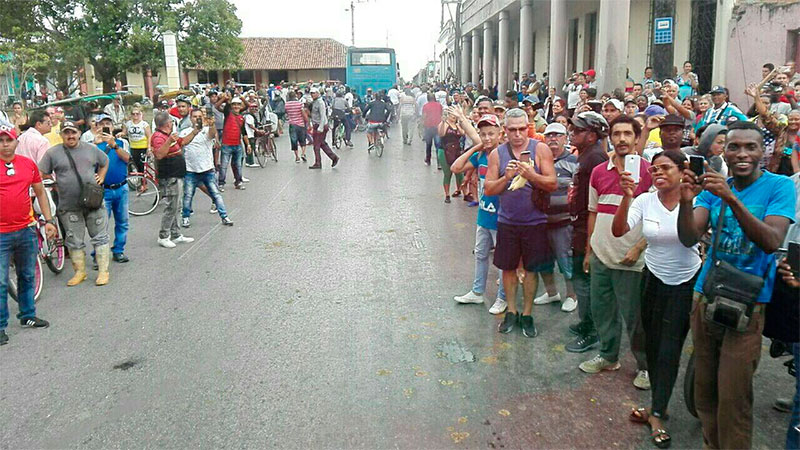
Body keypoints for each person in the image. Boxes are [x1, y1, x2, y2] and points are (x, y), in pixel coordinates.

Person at [677, 120, 796, 449]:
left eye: (750, 147)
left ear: (762, 151)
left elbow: (771, 240)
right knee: (706, 392)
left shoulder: (779, 187)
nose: (742, 153)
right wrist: (687, 200)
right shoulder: (713, 188)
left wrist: (730, 198)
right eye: (734, 147)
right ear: (724, 152)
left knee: (734, 398)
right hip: (707, 297)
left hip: (748, 305)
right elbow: (690, 235)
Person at [612, 149, 702, 448]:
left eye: (665, 168)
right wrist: (626, 197)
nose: (658, 173)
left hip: (684, 282)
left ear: (682, 170)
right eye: (654, 170)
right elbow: (619, 230)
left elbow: (690, 239)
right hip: (652, 278)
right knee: (650, 344)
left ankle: (659, 412)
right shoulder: (645, 200)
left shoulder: (697, 201)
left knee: (669, 349)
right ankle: (656, 404)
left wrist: (687, 199)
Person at [579, 115, 651, 392]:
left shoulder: (648, 171)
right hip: (601, 255)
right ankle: (609, 357)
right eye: (616, 133)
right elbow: (593, 213)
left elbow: (655, 217)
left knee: (635, 319)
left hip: (631, 259)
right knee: (602, 311)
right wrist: (589, 250)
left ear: (636, 138)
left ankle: (645, 366)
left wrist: (638, 247)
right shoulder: (599, 172)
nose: (621, 139)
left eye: (627, 134)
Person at [484, 108, 557, 337]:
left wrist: (531, 174)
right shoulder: (498, 153)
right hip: (507, 220)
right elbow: (488, 189)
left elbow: (552, 184)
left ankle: (527, 314)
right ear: (505, 131)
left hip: (535, 221)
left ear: (529, 128)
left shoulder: (540, 149)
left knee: (532, 269)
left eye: (522, 129)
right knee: (507, 268)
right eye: (512, 130)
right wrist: (506, 177)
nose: (517, 134)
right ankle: (512, 311)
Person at [38, 121, 112, 286]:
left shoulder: (91, 149)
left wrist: (102, 176)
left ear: (79, 133)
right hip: (69, 205)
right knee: (74, 240)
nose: (70, 136)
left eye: (73, 132)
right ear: (61, 135)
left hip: (93, 202)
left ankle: (103, 272)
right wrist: (53, 181)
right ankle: (80, 272)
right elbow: (41, 172)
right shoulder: (52, 153)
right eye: (66, 133)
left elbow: (105, 161)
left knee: (100, 237)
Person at [0, 123, 54, 345]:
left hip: (26, 229)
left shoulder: (28, 165)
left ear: (16, 142)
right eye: (0, 141)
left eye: (8, 140)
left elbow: (40, 192)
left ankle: (28, 315)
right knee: (1, 282)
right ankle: (1, 325)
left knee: (27, 275)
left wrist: (49, 221)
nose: (4, 145)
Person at [451, 114, 507, 313]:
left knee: (502, 260)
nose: (487, 138)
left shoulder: (505, 155)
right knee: (481, 254)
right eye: (483, 134)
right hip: (484, 214)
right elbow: (455, 167)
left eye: (491, 134)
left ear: (500, 134)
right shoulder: (481, 155)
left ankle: (503, 297)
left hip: (501, 218)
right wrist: (476, 148)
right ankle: (477, 292)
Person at [527, 122, 579, 312]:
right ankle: (551, 293)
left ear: (565, 138)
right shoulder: (538, 161)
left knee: (566, 260)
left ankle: (572, 296)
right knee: (543, 260)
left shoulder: (573, 161)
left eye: (558, 135)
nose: (553, 139)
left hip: (563, 221)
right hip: (540, 220)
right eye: (549, 136)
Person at [180, 108, 233, 228]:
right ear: (190, 118)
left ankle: (224, 216)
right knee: (188, 195)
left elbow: (212, 133)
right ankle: (185, 217)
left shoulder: (207, 130)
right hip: (190, 170)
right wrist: (195, 131)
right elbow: (183, 142)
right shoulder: (185, 132)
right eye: (194, 116)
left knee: (216, 194)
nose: (197, 119)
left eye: (199, 116)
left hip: (207, 169)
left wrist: (212, 123)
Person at [150, 112, 195, 249]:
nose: (172, 123)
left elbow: (183, 142)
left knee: (177, 205)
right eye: (171, 121)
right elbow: (159, 154)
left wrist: (195, 131)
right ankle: (163, 236)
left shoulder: (168, 135)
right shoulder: (159, 137)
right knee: (171, 206)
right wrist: (169, 141)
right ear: (167, 123)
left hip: (176, 174)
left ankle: (175, 233)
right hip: (170, 176)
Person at [92, 115, 131, 264]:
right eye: (102, 124)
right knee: (101, 224)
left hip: (121, 187)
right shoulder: (91, 145)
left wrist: (114, 145)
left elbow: (127, 159)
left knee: (122, 221)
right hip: (103, 190)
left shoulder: (122, 142)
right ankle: (98, 254)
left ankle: (118, 251)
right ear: (97, 127)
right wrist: (96, 145)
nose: (105, 126)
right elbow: (90, 165)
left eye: (108, 123)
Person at [438, 107, 479, 203]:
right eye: (451, 115)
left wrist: (459, 123)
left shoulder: (457, 125)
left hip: (456, 150)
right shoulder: (443, 124)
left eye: (454, 116)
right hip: (445, 150)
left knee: (459, 173)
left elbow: (463, 133)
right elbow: (441, 134)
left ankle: (463, 192)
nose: (453, 117)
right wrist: (444, 122)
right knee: (448, 173)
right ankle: (447, 194)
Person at [213, 94, 251, 189]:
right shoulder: (228, 113)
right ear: (231, 106)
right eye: (234, 104)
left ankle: (238, 182)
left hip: (237, 145)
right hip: (227, 144)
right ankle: (221, 183)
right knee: (224, 166)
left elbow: (244, 133)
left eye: (238, 104)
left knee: (238, 165)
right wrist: (224, 99)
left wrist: (248, 145)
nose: (236, 106)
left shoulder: (241, 118)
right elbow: (217, 106)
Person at [308, 87, 339, 169]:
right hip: (316, 125)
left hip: (320, 125)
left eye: (314, 93)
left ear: (318, 93)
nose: (312, 95)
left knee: (316, 145)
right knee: (322, 144)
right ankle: (334, 157)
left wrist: (320, 127)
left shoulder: (320, 103)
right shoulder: (314, 102)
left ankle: (318, 163)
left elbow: (323, 116)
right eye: (311, 93)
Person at [122, 107, 151, 174]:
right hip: (133, 147)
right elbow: (124, 133)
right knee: (135, 165)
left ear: (140, 114)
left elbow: (149, 136)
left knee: (142, 166)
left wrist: (149, 147)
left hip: (142, 147)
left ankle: (143, 181)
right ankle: (139, 180)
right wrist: (121, 133)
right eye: (133, 114)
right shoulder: (128, 123)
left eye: (137, 114)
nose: (135, 116)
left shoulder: (144, 124)